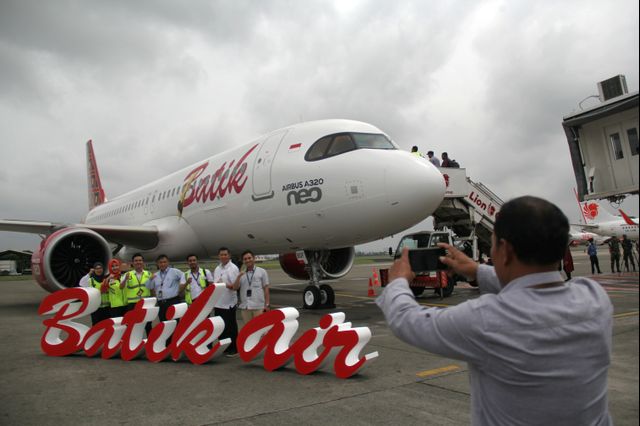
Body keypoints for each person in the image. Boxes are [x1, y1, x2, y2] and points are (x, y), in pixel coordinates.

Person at [376, 196, 612, 425]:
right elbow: (533, 284)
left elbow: (407, 321)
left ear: (505, 251)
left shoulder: (487, 320)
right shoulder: (594, 299)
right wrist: (477, 271)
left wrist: (398, 281)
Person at [213, 247, 241, 357]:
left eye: (225, 254)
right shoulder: (217, 268)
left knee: (231, 327)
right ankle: (225, 347)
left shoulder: (233, 268)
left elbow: (235, 287)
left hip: (229, 303)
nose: (223, 256)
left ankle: (234, 348)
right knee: (221, 327)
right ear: (219, 256)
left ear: (229, 256)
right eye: (221, 255)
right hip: (219, 303)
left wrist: (224, 284)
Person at [120, 253, 153, 336]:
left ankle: (150, 343)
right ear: (133, 263)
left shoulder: (148, 274)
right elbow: (121, 287)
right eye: (136, 261)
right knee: (132, 325)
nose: (138, 262)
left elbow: (152, 288)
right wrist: (125, 280)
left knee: (148, 324)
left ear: (143, 262)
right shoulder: (127, 275)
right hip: (133, 304)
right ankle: (132, 345)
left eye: (140, 260)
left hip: (145, 303)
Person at [146, 254, 185, 322]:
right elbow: (149, 286)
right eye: (160, 262)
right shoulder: (155, 275)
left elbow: (185, 276)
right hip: (161, 303)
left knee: (175, 322)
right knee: (163, 323)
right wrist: (150, 279)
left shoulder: (175, 271)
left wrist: (181, 286)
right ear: (157, 264)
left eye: (164, 262)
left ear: (168, 262)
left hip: (173, 301)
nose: (162, 264)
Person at [235, 250, 270, 324]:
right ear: (243, 261)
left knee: (260, 329)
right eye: (245, 259)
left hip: (258, 307)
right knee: (248, 330)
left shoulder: (262, 271)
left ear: (254, 258)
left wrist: (267, 304)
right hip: (245, 307)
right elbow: (235, 288)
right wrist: (238, 277)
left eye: (249, 258)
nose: (247, 260)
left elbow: (266, 288)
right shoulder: (241, 274)